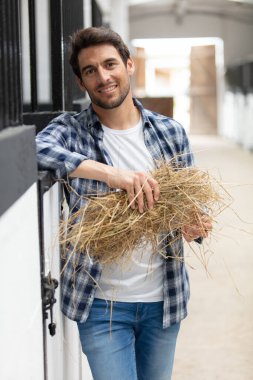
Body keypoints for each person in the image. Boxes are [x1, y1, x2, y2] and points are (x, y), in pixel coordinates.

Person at [36, 27, 212, 380]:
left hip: (163, 301)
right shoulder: (71, 131)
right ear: (80, 82)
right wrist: (111, 175)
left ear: (129, 65)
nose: (103, 77)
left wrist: (196, 227)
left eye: (110, 64)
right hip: (101, 305)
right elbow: (35, 149)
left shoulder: (169, 132)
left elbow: (192, 208)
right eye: (90, 71)